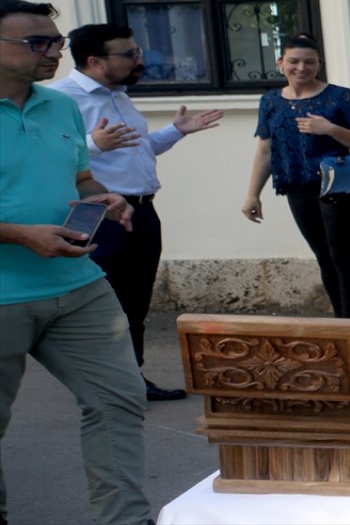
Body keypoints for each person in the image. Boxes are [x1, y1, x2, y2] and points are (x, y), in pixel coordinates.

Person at [0, 0, 151, 525]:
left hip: (78, 284)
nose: (54, 52)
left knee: (118, 400)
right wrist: (19, 235)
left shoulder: (60, 105)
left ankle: (126, 519)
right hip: (4, 296)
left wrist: (102, 197)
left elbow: (80, 177)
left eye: (56, 41)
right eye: (37, 42)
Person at [49, 23, 223, 402]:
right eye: (128, 54)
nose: (139, 60)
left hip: (142, 211)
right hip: (99, 214)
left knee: (135, 300)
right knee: (104, 302)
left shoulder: (119, 96)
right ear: (95, 60)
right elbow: (46, 154)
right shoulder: (60, 99)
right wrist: (93, 144)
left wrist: (176, 131)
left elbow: (137, 149)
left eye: (138, 51)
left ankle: (131, 379)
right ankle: (104, 385)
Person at [242, 33, 350, 319]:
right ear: (280, 62)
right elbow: (265, 150)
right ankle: (341, 325)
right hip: (298, 187)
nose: (301, 68)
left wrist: (330, 129)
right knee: (324, 257)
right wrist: (253, 194)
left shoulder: (340, 96)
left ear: (319, 64)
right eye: (294, 61)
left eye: (309, 62)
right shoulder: (270, 101)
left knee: (345, 257)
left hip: (342, 187)